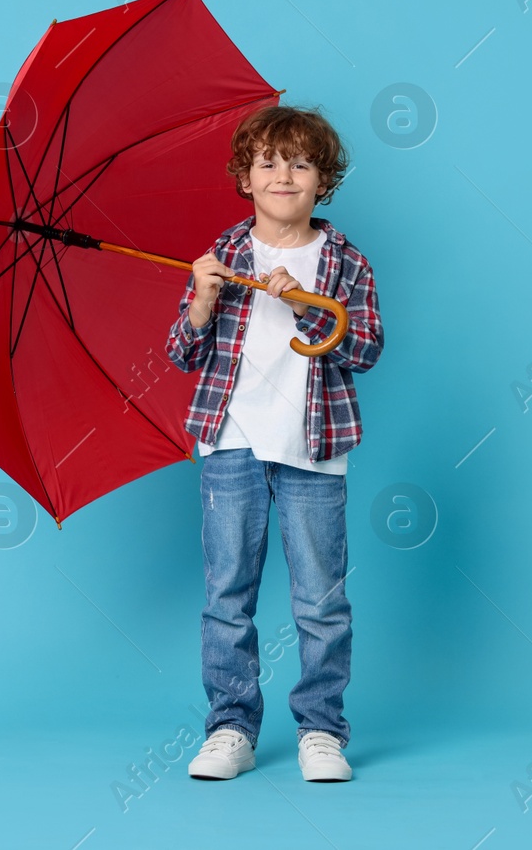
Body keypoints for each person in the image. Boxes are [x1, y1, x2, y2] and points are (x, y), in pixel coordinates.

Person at [164, 104, 383, 783]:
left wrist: (305, 304)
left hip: (314, 446)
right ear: (244, 178)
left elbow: (367, 347)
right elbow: (180, 351)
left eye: (300, 162)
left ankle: (322, 729)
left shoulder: (343, 260)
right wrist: (200, 302)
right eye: (267, 162)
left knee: (321, 598)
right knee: (228, 591)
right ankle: (231, 726)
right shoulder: (224, 254)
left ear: (324, 180)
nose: (283, 174)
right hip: (229, 442)